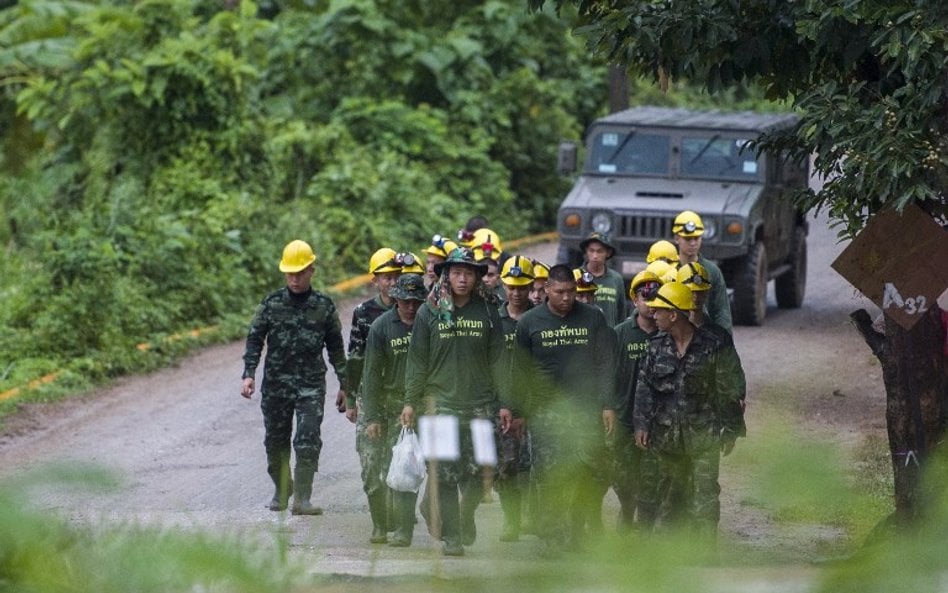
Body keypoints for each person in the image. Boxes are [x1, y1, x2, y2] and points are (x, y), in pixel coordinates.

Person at [403, 247, 511, 556]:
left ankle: (465, 515)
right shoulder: (429, 311)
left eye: (469, 273)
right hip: (441, 405)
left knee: (482, 469)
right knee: (445, 473)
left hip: (481, 405)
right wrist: (410, 401)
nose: (463, 279)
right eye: (457, 273)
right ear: (447, 275)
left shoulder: (488, 311)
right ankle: (452, 535)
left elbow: (499, 359)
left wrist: (505, 403)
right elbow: (417, 361)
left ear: (477, 277)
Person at [515, 264, 617, 555]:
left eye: (571, 292)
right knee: (549, 476)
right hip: (545, 412)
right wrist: (516, 409)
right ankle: (551, 536)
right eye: (559, 292)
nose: (566, 298)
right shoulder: (530, 322)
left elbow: (604, 363)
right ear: (546, 289)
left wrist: (607, 403)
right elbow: (519, 370)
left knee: (585, 473)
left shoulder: (593, 319)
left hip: (585, 409)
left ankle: (577, 533)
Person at [240, 239, 347, 515]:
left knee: (308, 438)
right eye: (290, 273)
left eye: (300, 273)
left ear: (311, 270)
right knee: (276, 440)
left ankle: (303, 497)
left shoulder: (323, 306)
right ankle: (282, 489)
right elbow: (255, 339)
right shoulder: (272, 303)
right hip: (277, 385)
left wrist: (347, 384)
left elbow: (336, 346)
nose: (295, 279)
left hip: (311, 385)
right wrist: (249, 373)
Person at [633, 282, 746, 538]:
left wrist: (731, 430)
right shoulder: (655, 346)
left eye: (660, 310)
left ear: (674, 315)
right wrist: (641, 424)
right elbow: (645, 387)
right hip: (665, 437)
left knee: (704, 496)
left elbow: (728, 390)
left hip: (703, 436)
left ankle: (705, 553)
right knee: (668, 497)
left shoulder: (712, 345)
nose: (654, 314)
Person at [361, 273, 428, 547]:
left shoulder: (430, 326)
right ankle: (381, 525)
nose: (410, 307)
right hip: (390, 409)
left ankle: (404, 529)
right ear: (396, 299)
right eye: (405, 301)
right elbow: (372, 374)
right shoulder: (381, 327)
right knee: (381, 469)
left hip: (423, 408)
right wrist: (373, 416)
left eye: (415, 301)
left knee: (408, 468)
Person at [346, 248, 404, 541]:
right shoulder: (363, 313)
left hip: (400, 400)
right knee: (371, 467)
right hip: (369, 398)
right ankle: (380, 524)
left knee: (399, 463)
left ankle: (397, 520)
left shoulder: (411, 311)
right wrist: (349, 397)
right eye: (386, 278)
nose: (392, 283)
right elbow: (355, 356)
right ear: (375, 281)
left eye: (396, 277)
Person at [612, 270, 661, 531]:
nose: (650, 303)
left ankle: (644, 530)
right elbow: (607, 374)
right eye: (645, 297)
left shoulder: (667, 334)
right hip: (624, 417)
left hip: (657, 420)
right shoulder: (620, 334)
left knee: (652, 478)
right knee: (622, 476)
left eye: (655, 297)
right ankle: (627, 508)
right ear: (634, 300)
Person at [494, 255, 535, 542]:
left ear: (531, 286)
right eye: (511, 287)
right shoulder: (493, 320)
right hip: (502, 406)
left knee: (533, 466)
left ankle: (534, 516)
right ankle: (511, 520)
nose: (517, 293)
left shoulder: (541, 319)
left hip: (535, 406)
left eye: (522, 287)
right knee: (506, 465)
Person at [672, 210, 732, 333]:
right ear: (677, 238)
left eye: (696, 238)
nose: (693, 243)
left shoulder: (711, 271)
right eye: (688, 239)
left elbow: (721, 311)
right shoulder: (669, 270)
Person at [578, 231, 627, 326]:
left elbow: (621, 313)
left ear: (608, 253)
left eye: (599, 251)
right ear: (586, 252)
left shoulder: (616, 279)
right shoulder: (576, 276)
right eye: (591, 251)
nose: (595, 256)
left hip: (609, 336)